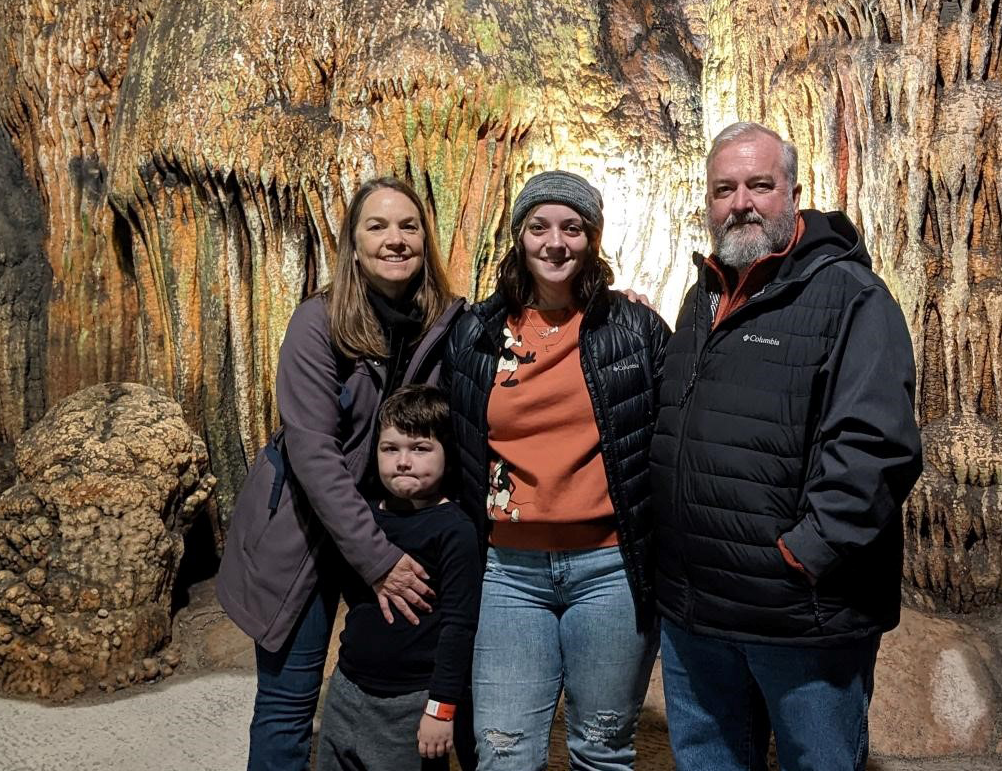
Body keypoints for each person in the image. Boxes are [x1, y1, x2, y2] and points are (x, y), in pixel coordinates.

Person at [649, 122, 923, 771]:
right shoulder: (703, 296)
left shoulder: (850, 297)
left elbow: (877, 444)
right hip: (697, 613)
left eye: (759, 185)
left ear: (793, 192)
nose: (740, 202)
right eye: (724, 189)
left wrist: (807, 553)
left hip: (801, 619)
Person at [218, 177, 465, 771]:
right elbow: (314, 456)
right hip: (300, 533)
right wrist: (377, 561)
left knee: (397, 684)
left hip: (390, 526)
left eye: (408, 226)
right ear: (353, 246)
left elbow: (510, 330)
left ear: (425, 240)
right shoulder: (316, 323)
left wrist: (607, 300)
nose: (395, 239)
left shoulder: (446, 324)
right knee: (288, 704)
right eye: (376, 226)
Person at [444, 170, 670, 771]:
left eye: (572, 228)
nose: (555, 242)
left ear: (591, 239)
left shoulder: (634, 329)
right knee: (503, 754)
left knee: (601, 750)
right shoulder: (474, 334)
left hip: (611, 569)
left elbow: (673, 435)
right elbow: (450, 439)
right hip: (508, 573)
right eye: (539, 226)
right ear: (519, 237)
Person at [318, 384, 480, 771]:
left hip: (411, 703)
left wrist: (441, 711)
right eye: (390, 449)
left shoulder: (454, 529)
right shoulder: (364, 520)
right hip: (347, 687)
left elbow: (459, 627)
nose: (403, 461)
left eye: (420, 448)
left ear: (447, 453)